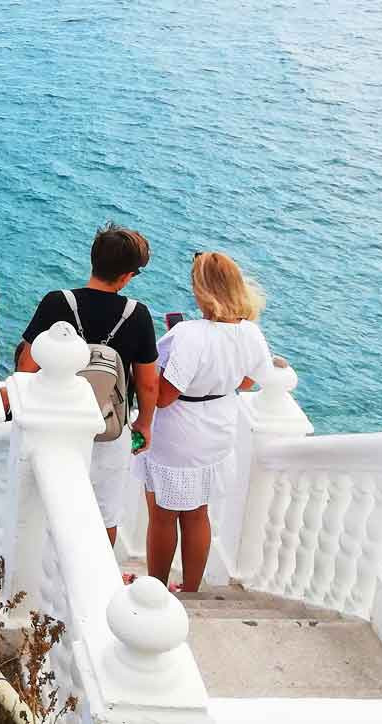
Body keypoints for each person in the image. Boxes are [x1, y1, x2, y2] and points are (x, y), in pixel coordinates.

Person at [15, 224, 159, 547]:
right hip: (108, 430)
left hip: (54, 423)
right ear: (126, 277)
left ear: (93, 260)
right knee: (105, 514)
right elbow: (148, 384)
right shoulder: (138, 316)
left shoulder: (57, 303)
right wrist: (144, 424)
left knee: (45, 503)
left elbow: (27, 365)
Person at [136, 251, 271, 593]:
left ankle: (155, 591)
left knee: (163, 515)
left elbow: (164, 396)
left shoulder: (188, 334)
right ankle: (190, 591)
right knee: (198, 514)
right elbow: (248, 382)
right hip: (218, 430)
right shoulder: (251, 333)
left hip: (178, 433)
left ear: (203, 290)